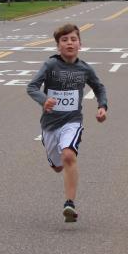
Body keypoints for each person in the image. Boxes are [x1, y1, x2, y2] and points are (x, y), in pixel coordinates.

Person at [26, 23, 108, 222]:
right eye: (64, 40)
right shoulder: (50, 65)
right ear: (58, 46)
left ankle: (69, 204)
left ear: (80, 44)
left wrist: (102, 106)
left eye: (73, 39)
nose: (69, 43)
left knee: (69, 156)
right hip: (49, 124)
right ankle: (55, 159)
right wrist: (44, 100)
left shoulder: (84, 69)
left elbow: (99, 87)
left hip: (72, 121)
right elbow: (32, 87)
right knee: (57, 166)